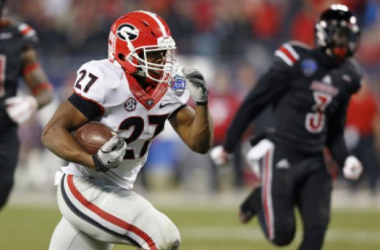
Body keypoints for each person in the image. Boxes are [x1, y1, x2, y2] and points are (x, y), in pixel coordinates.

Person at [42, 10, 213, 250]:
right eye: (153, 54)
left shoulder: (170, 85)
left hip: (118, 189)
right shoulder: (107, 80)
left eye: (164, 52)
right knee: (162, 236)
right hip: (84, 185)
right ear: (126, 54)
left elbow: (199, 144)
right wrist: (93, 159)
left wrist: (203, 104)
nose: (163, 60)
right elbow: (51, 132)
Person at [211, 4, 363, 250]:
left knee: (315, 235)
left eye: (350, 37)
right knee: (282, 235)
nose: (346, 43)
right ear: (324, 34)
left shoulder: (348, 75)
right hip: (282, 154)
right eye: (341, 36)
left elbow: (334, 127)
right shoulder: (296, 60)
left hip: (314, 160)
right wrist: (229, 145)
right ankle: (259, 199)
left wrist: (344, 158)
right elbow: (254, 102)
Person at [0, 0, 53, 210]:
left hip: (4, 127)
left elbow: (44, 92)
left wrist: (31, 102)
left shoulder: (16, 38)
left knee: (3, 188)